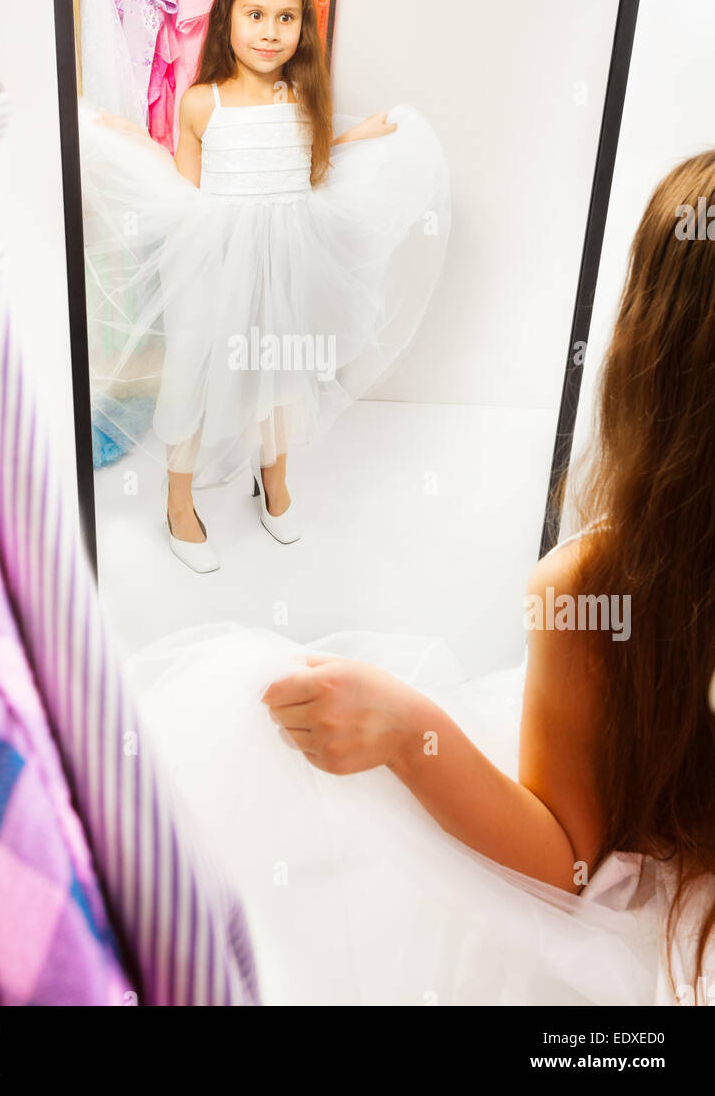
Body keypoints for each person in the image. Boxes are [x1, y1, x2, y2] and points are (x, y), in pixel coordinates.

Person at [122, 147, 715, 1005]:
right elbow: (574, 858)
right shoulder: (593, 594)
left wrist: (408, 732)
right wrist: (405, 730)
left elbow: (574, 861)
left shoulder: (593, 589)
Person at [77, 0, 451, 571]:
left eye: (287, 18)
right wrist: (137, 145)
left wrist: (354, 137)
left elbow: (311, 171)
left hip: (285, 259)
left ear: (304, 26)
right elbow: (182, 191)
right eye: (255, 15)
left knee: (279, 372)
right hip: (215, 261)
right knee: (194, 372)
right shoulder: (203, 103)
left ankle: (272, 480)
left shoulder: (303, 99)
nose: (270, 32)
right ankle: (177, 501)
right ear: (226, 17)